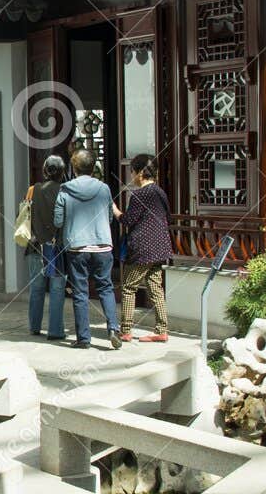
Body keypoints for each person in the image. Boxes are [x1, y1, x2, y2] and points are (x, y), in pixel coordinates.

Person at [53, 149, 121, 350]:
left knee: (80, 292)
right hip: (102, 245)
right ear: (93, 167)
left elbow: (57, 220)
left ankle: (84, 338)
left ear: (74, 168)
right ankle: (113, 329)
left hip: (77, 247)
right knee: (106, 288)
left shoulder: (65, 190)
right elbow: (109, 217)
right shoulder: (104, 189)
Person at [113, 154, 173, 342]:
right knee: (155, 287)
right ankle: (162, 329)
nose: (131, 176)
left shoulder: (139, 195)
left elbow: (128, 220)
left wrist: (114, 210)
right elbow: (168, 217)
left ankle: (126, 330)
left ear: (139, 173)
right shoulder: (160, 192)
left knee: (129, 287)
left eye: (132, 171)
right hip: (160, 246)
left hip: (142, 249)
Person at [25, 154, 68, 341]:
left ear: (44, 171)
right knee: (58, 289)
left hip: (35, 245)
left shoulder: (33, 190)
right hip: (57, 246)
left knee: (37, 287)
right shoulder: (66, 191)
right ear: (62, 172)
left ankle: (34, 326)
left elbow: (25, 215)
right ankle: (55, 330)